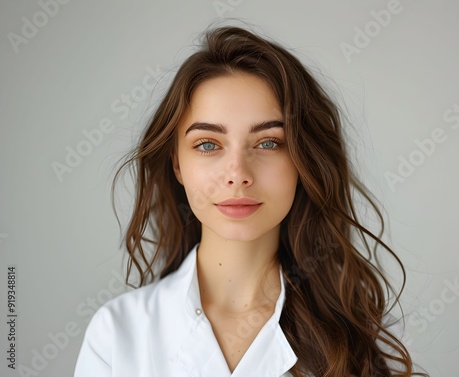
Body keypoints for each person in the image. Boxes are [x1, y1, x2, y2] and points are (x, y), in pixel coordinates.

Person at [73, 25, 428, 377]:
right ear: (178, 164)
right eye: (208, 144)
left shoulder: (367, 334)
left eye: (268, 143)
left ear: (303, 163)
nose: (238, 173)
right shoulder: (117, 335)